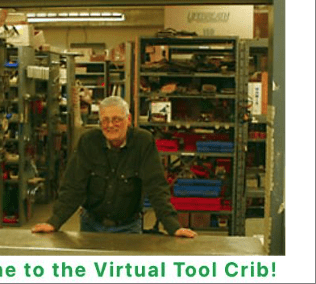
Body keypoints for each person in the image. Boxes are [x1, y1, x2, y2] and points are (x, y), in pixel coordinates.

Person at [31, 96, 197, 238]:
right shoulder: (88, 142)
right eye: (105, 120)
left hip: (129, 227)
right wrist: (54, 222)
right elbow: (73, 186)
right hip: (91, 225)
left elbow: (156, 187)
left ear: (128, 120)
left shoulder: (143, 142)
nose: (110, 125)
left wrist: (173, 226)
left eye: (116, 119)